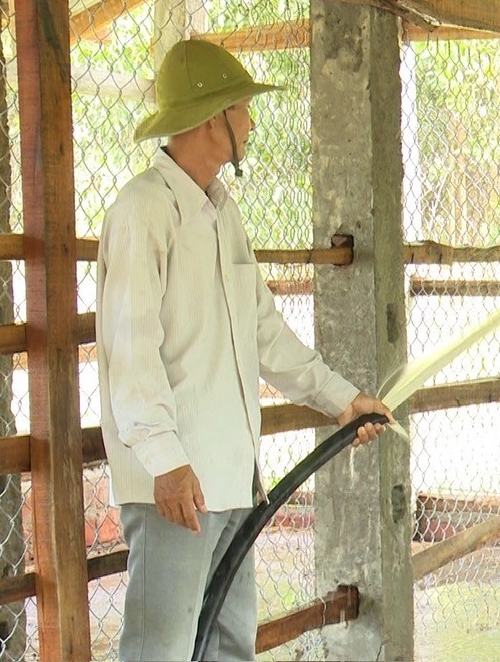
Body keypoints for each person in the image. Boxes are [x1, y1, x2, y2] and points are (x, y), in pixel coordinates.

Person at [96, 38, 393, 662]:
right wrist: (167, 462)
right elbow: (130, 348)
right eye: (243, 109)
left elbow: (265, 333)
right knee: (162, 651)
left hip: (231, 479)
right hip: (176, 484)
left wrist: (342, 401)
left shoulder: (221, 212)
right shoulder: (144, 211)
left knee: (230, 647)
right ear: (213, 117)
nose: (252, 121)